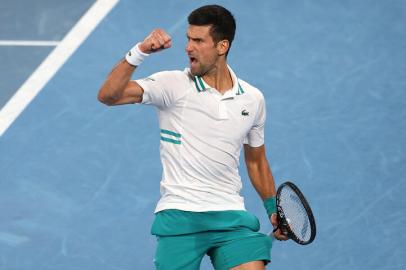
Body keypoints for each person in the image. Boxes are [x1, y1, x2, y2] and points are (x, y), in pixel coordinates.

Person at [98, 4, 287, 270]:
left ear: (222, 46)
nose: (188, 47)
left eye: (198, 41)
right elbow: (109, 96)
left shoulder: (252, 99)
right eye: (188, 39)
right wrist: (139, 52)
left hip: (230, 215)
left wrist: (272, 209)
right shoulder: (171, 85)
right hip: (180, 215)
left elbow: (256, 161)